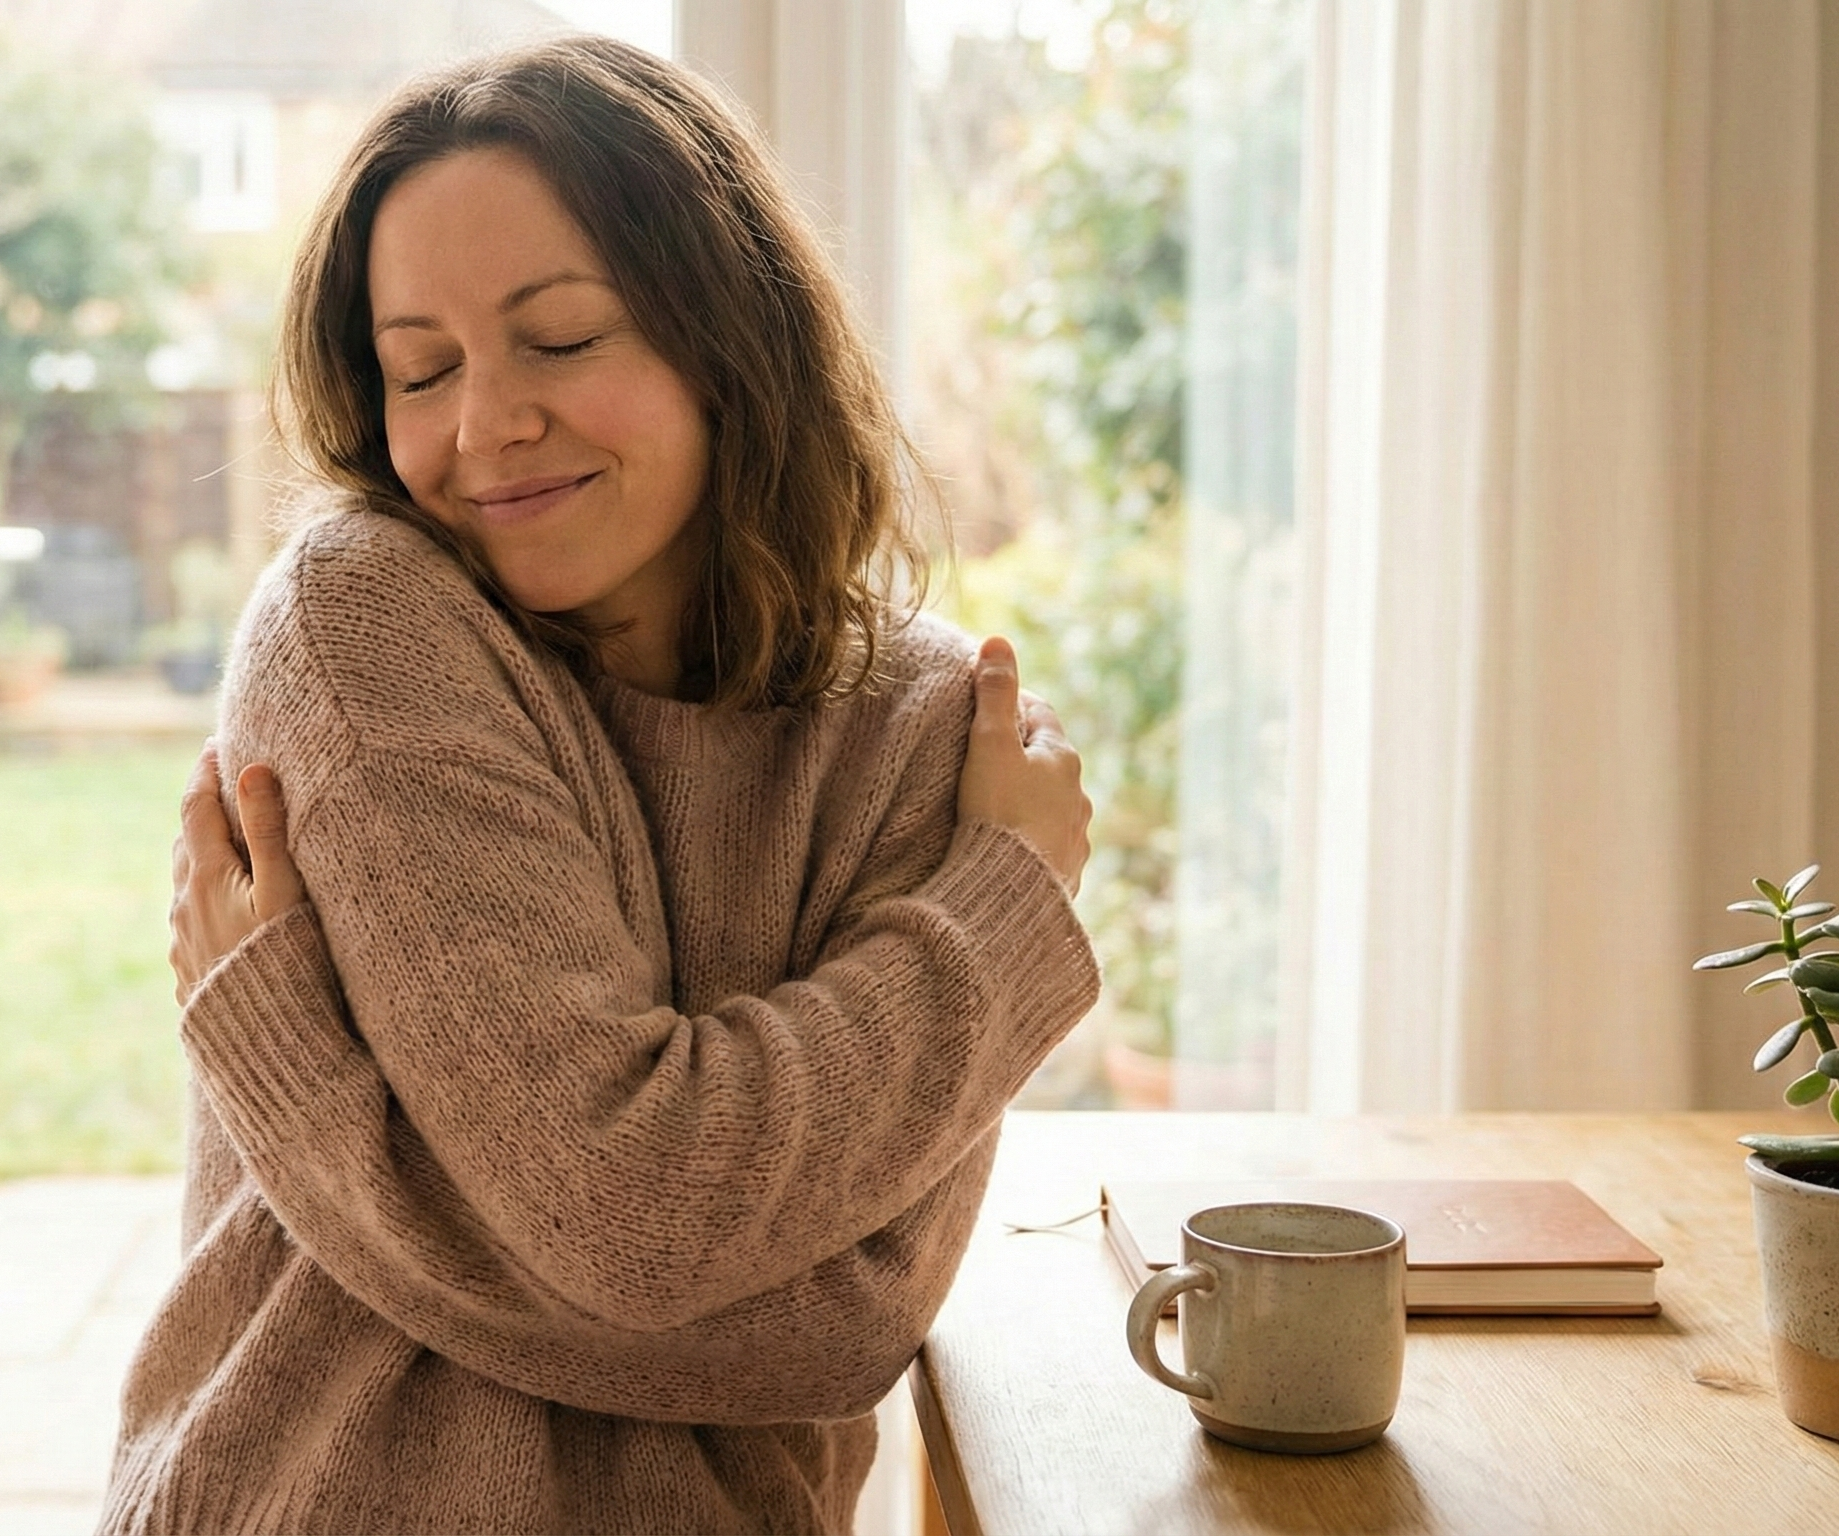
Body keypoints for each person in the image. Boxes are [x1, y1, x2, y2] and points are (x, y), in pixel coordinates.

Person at [100, 35, 1098, 1536]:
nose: (483, 424)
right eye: (420, 369)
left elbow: (845, 1324)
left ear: (726, 336)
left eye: (560, 339)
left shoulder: (922, 729)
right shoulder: (362, 619)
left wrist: (312, 1109)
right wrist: (994, 935)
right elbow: (628, 1222)